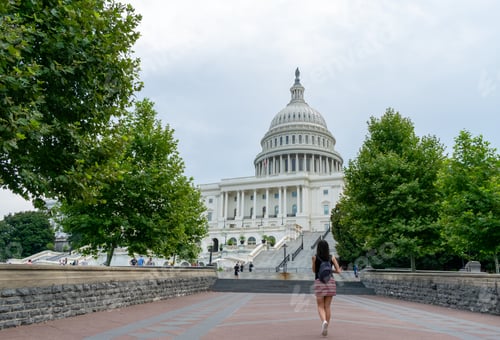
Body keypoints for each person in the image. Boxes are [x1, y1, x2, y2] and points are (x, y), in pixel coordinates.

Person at [312, 239, 341, 337]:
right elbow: (338, 271)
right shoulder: (331, 257)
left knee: (320, 306)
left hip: (319, 282)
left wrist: (314, 262)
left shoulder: (315, 257)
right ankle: (326, 326)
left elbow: (314, 271)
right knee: (327, 306)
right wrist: (329, 271)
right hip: (330, 282)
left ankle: (324, 321)